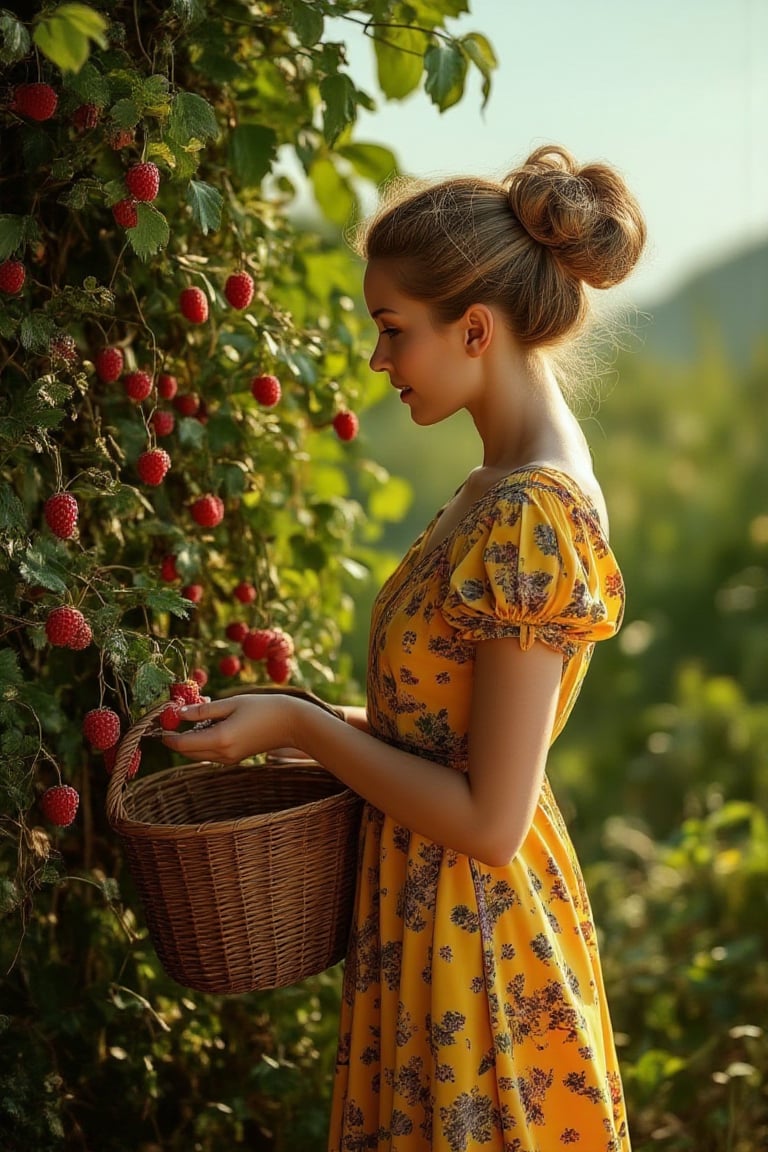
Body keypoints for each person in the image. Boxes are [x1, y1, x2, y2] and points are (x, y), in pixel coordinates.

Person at [164, 143, 646, 1151]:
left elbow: (488, 820)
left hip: (479, 949)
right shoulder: (495, 485)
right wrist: (285, 728)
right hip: (430, 928)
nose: (378, 361)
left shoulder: (531, 513)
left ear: (475, 328)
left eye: (392, 331)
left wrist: (301, 721)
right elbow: (442, 744)